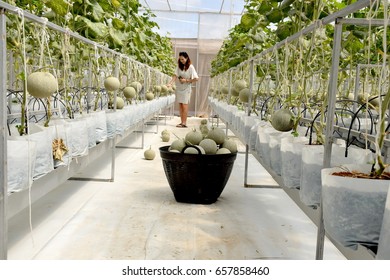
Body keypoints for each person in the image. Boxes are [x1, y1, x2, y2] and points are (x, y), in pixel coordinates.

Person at [167, 51, 199, 128]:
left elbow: (196, 78)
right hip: (179, 88)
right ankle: (182, 122)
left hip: (186, 88)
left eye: (183, 59)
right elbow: (175, 76)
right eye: (180, 59)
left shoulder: (190, 67)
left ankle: (184, 123)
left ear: (187, 58)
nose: (181, 61)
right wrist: (170, 83)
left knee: (184, 105)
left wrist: (186, 80)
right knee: (180, 105)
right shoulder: (179, 66)